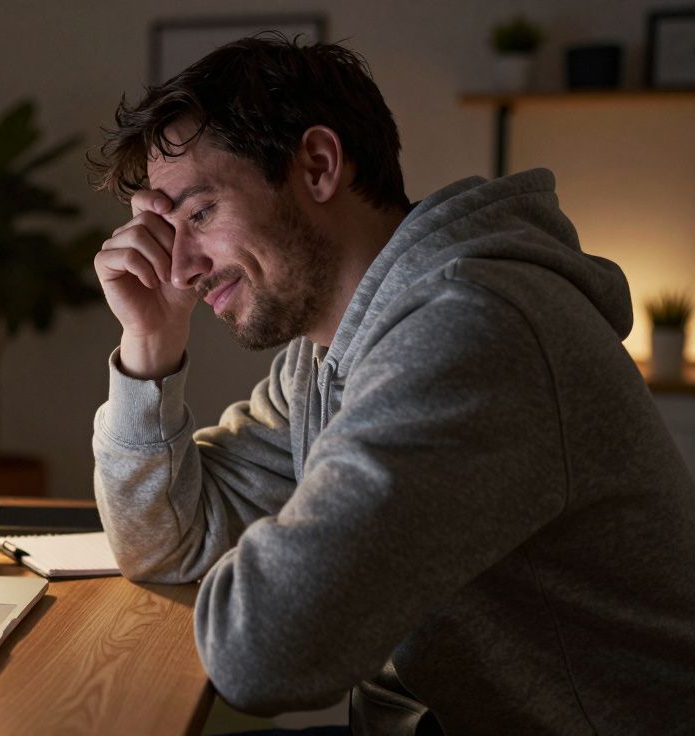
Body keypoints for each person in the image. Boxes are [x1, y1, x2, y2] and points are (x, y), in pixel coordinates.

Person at [87, 35, 695, 735]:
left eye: (197, 215)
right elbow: (166, 543)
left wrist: (287, 551)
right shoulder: (325, 355)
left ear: (317, 166)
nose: (181, 269)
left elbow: (265, 654)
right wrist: (149, 348)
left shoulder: (470, 332)